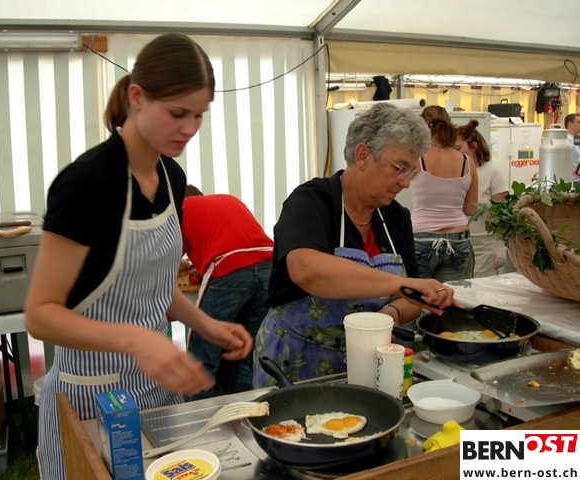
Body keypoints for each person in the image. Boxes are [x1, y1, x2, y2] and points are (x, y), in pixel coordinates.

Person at [24, 34, 253, 480]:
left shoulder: (172, 177)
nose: (189, 128)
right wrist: (138, 340)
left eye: (199, 115)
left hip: (155, 392)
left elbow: (153, 287)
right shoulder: (86, 184)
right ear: (136, 97)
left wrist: (207, 325)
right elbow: (40, 315)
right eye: (177, 113)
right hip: (89, 397)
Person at [252, 103, 461, 388]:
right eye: (400, 168)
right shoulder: (312, 201)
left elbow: (409, 297)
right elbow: (306, 269)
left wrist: (392, 313)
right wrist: (400, 285)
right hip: (293, 363)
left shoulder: (396, 218)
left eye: (412, 173)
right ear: (363, 155)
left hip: (364, 363)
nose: (406, 183)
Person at [181, 186, 274, 400]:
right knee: (248, 351)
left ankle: (198, 414)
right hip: (270, 264)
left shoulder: (180, 208)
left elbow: (169, 260)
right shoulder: (228, 200)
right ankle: (241, 411)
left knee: (203, 352)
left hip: (229, 266)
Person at [411, 105, 478, 282]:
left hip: (422, 238)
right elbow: (470, 208)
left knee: (418, 295)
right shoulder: (467, 162)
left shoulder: (417, 158)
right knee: (450, 296)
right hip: (458, 240)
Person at [455, 120, 509, 277]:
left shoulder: (492, 172)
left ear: (474, 146)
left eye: (458, 148)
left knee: (479, 286)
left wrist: (500, 244)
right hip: (460, 242)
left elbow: (502, 213)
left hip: (484, 245)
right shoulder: (457, 171)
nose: (454, 153)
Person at [563, 113, 580, 184]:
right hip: (573, 181)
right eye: (579, 122)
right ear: (570, 124)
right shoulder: (565, 140)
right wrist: (575, 174)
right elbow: (560, 161)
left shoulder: (576, 139)